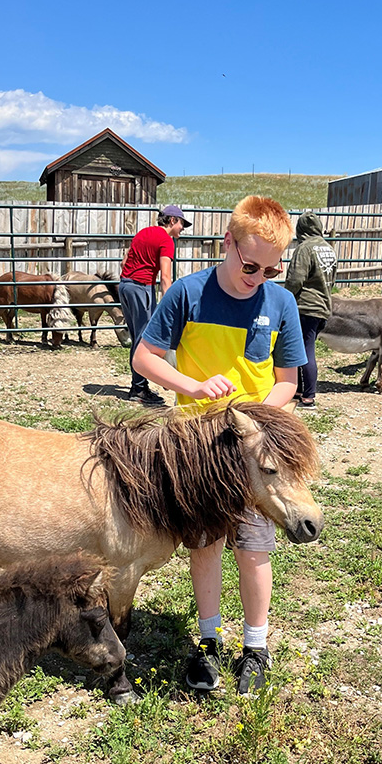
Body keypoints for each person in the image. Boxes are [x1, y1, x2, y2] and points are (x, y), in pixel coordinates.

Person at [132, 196, 305, 696]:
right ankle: (208, 643)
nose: (258, 277)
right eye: (250, 264)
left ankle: (255, 646)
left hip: (253, 456)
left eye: (271, 270)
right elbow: (145, 358)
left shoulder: (281, 304)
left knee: (254, 549)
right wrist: (190, 385)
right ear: (226, 243)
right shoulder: (187, 293)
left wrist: (257, 424)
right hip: (199, 452)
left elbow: (288, 381)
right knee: (205, 547)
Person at [118, 204, 191, 405]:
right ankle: (139, 389)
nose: (183, 229)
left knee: (136, 336)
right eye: (182, 224)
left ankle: (139, 384)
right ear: (172, 221)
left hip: (125, 286)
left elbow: (125, 262)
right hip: (141, 287)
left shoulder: (143, 233)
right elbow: (165, 277)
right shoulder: (166, 241)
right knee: (144, 339)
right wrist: (172, 306)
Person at [284, 212, 335, 408]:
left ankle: (308, 395)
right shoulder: (328, 248)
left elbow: (296, 279)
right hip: (323, 306)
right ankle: (298, 390)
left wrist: (285, 298)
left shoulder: (304, 249)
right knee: (305, 347)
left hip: (305, 306)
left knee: (303, 350)